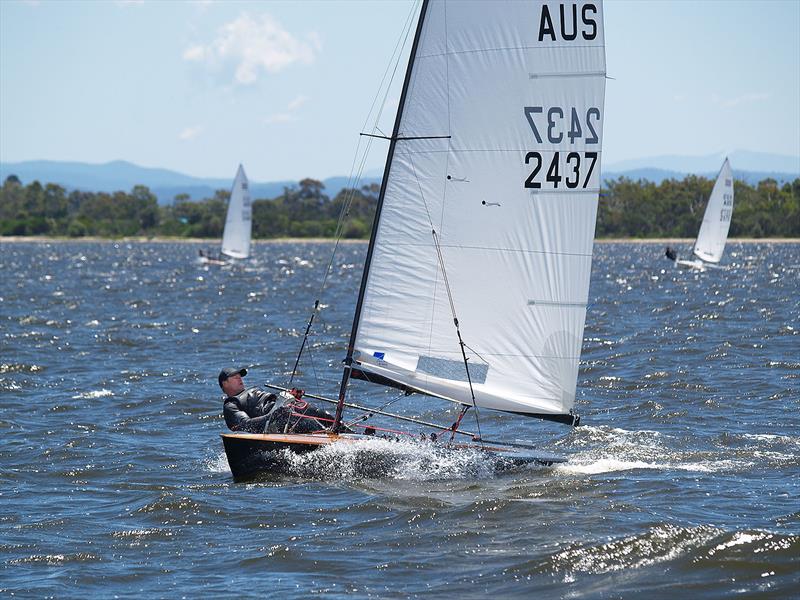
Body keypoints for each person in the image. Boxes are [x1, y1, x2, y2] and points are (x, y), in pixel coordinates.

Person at [219, 367, 342, 434]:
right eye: (235, 377)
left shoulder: (253, 390)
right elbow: (245, 425)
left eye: (240, 376)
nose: (239, 379)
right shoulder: (231, 404)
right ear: (225, 384)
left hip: (286, 409)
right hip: (277, 420)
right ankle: (334, 442)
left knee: (318, 412)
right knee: (309, 422)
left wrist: (290, 397)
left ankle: (354, 436)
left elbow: (272, 401)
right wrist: (273, 416)